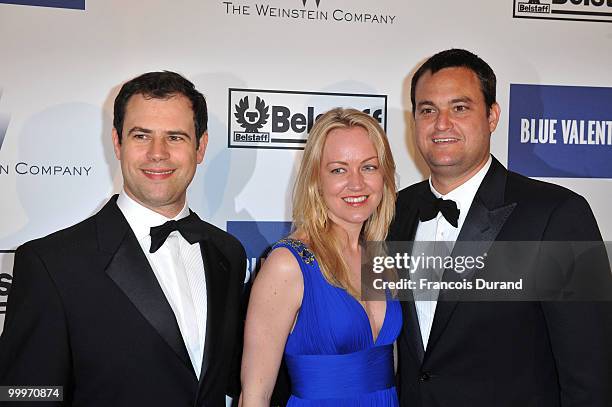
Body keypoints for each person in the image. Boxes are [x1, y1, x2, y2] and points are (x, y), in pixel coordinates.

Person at [0, 71, 246, 406]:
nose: (157, 153)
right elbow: (24, 398)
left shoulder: (227, 253)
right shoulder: (51, 265)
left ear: (200, 147)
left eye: (175, 137)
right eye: (141, 136)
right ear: (117, 143)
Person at [388, 48, 612, 406]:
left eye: (459, 108)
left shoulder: (558, 215)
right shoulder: (392, 212)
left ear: (492, 116)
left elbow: (591, 373)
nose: (441, 123)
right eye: (427, 110)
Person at [240, 108, 401, 406]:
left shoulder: (379, 258)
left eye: (368, 167)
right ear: (316, 179)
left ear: (385, 175)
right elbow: (254, 396)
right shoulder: (288, 264)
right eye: (339, 169)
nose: (356, 183)